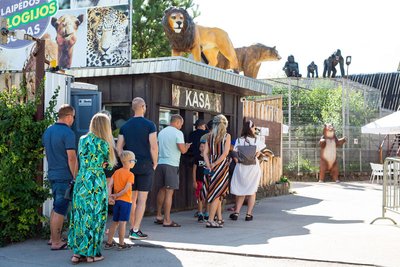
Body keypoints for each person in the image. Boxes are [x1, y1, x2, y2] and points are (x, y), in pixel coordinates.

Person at [68, 112, 117, 264]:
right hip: (96, 182)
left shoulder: (82, 140)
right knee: (95, 217)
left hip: (82, 181)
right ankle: (92, 254)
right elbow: (110, 165)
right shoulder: (105, 143)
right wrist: (102, 164)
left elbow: (79, 160)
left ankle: (77, 254)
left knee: (80, 216)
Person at [116, 97, 158, 240]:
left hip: (130, 166)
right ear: (142, 107)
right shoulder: (150, 125)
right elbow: (153, 146)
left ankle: (131, 227)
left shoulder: (125, 126)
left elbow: (119, 147)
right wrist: (155, 162)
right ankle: (135, 229)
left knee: (131, 199)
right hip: (146, 164)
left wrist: (125, 162)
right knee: (142, 199)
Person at [42, 104, 77, 251]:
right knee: (60, 209)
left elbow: (48, 153)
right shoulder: (68, 133)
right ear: (68, 116)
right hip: (64, 176)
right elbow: (71, 158)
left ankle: (53, 238)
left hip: (53, 173)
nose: (73, 120)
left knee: (57, 206)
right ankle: (56, 242)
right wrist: (76, 176)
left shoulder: (48, 131)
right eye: (73, 117)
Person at [154, 114, 191, 227]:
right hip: (172, 164)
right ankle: (167, 219)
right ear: (177, 122)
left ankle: (159, 215)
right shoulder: (178, 133)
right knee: (169, 192)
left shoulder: (162, 132)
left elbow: (157, 146)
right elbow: (182, 150)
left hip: (160, 162)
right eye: (181, 124)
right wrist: (187, 146)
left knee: (161, 190)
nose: (181, 126)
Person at [229, 120, 265, 221]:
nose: (254, 129)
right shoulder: (256, 140)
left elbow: (235, 152)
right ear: (250, 128)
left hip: (241, 167)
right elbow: (258, 152)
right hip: (253, 167)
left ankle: (236, 212)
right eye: (254, 127)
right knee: (252, 190)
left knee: (241, 190)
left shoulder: (239, 140)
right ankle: (248, 214)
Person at [203, 114, 231, 228]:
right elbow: (225, 153)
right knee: (217, 193)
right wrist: (215, 164)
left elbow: (204, 153)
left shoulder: (209, 136)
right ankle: (210, 219)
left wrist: (209, 164)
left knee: (216, 192)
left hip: (210, 165)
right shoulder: (227, 136)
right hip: (221, 166)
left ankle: (219, 218)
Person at [105, 150, 136, 250]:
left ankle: (109, 243)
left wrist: (111, 196)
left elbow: (110, 185)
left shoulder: (116, 172)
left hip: (117, 202)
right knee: (123, 222)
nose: (135, 162)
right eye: (134, 160)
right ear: (130, 162)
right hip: (125, 201)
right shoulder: (130, 175)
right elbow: (127, 189)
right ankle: (122, 244)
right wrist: (117, 195)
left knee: (115, 222)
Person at [192, 139, 208, 222]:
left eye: (204, 146)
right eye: (201, 146)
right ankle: (200, 213)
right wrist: (194, 181)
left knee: (207, 197)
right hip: (199, 180)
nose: (202, 148)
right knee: (199, 197)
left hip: (207, 181)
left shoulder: (209, 157)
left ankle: (207, 212)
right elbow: (194, 170)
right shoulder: (197, 157)